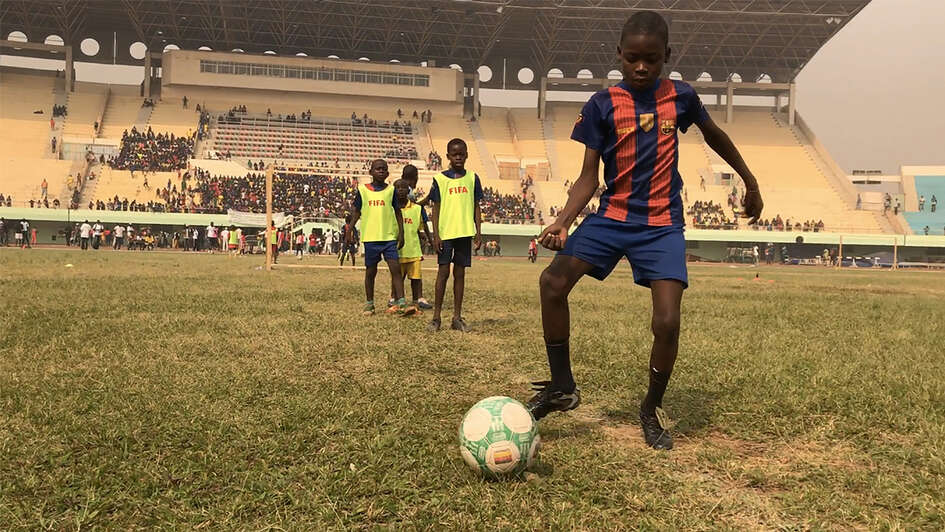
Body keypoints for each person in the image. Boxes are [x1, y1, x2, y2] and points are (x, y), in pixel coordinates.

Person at [525, 11, 763, 451]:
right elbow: (587, 179)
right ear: (619, 55)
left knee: (668, 321)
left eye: (651, 59)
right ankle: (562, 387)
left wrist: (750, 180)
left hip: (661, 225)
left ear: (666, 57)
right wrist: (561, 221)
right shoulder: (602, 105)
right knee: (552, 283)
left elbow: (716, 137)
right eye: (632, 58)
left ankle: (650, 409)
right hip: (613, 216)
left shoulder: (682, 97)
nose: (640, 67)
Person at [427, 138, 483, 332]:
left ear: (467, 155)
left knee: (460, 274)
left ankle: (457, 318)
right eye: (454, 154)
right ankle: (436, 318)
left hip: (464, 232)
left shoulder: (472, 178)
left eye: (462, 154)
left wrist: (478, 231)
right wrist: (436, 235)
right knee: (443, 274)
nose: (458, 157)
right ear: (448, 156)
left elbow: (476, 206)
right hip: (446, 234)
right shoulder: (440, 179)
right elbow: (436, 208)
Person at [348, 159, 412, 316]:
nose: (381, 171)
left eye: (384, 169)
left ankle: (401, 302)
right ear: (370, 172)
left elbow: (397, 212)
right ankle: (369, 304)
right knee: (370, 271)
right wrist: (349, 229)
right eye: (378, 169)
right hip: (371, 238)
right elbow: (356, 211)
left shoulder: (391, 191)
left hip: (389, 237)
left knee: (395, 269)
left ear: (388, 173)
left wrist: (401, 233)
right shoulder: (362, 190)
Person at [390, 179, 433, 314]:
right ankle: (395, 299)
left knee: (416, 278)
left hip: (413, 250)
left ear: (408, 190)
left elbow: (421, 227)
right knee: (397, 277)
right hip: (397, 250)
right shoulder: (390, 209)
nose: (401, 190)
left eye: (404, 187)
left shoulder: (417, 209)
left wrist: (426, 237)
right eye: (397, 187)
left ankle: (417, 300)